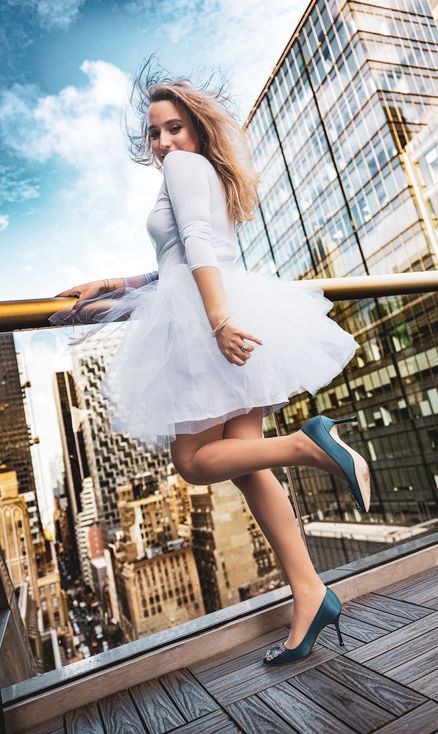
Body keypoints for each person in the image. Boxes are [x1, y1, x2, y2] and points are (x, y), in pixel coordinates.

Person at [49, 59, 371, 665]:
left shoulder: (186, 169)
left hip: (208, 318)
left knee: (194, 461)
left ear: (196, 130)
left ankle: (311, 445)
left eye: (175, 128)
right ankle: (310, 593)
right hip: (215, 303)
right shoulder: (195, 171)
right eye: (155, 133)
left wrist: (219, 323)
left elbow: (197, 240)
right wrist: (113, 283)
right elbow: (178, 255)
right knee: (249, 467)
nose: (164, 141)